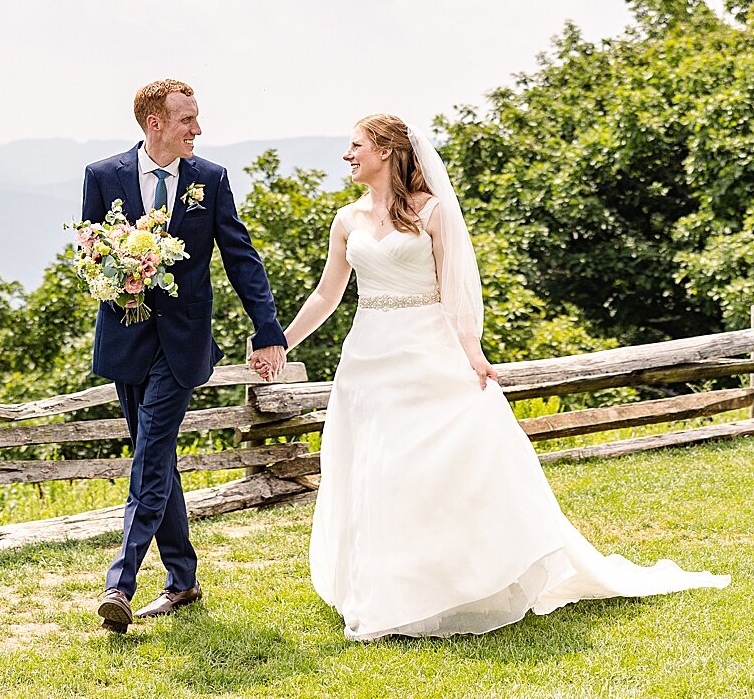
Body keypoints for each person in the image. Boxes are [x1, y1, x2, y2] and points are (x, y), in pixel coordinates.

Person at [270, 113, 730, 641]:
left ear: (388, 151)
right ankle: (381, 590)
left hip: (424, 351)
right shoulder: (346, 220)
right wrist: (281, 343)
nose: (348, 156)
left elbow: (455, 288)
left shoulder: (433, 212)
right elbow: (328, 294)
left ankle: (452, 582)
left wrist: (472, 351)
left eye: (356, 146)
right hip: (367, 358)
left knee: (428, 467)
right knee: (371, 466)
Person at [82, 79, 288, 632]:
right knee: (159, 458)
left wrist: (267, 330)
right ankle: (183, 580)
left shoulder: (211, 180)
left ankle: (119, 584)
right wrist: (117, 272)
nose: (197, 129)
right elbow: (93, 251)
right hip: (126, 338)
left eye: (196, 119)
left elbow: (241, 259)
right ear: (155, 124)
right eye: (187, 120)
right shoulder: (103, 177)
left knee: (149, 455)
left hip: (183, 345)